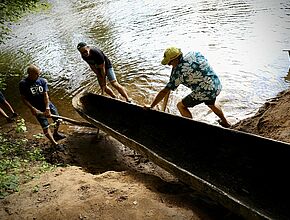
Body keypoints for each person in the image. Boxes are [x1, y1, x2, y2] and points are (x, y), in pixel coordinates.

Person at [145, 46, 231, 128]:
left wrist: (151, 106)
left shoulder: (178, 74)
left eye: (170, 62)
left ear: (175, 59)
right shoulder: (194, 54)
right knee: (211, 104)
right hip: (215, 84)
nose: (168, 64)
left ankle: (191, 128)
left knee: (180, 105)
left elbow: (165, 91)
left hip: (205, 91)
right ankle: (226, 123)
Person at [19, 64, 66, 147]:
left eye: (38, 73)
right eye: (36, 74)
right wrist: (32, 108)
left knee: (58, 120)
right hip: (37, 108)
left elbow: (46, 95)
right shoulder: (23, 84)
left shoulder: (42, 81)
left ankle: (56, 133)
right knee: (45, 126)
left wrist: (47, 107)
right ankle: (54, 144)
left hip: (48, 104)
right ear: (30, 74)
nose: (38, 75)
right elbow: (23, 99)